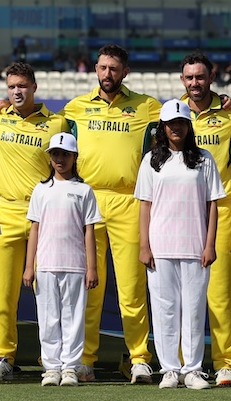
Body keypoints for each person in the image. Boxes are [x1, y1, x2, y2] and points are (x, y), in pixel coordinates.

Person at [58, 44, 160, 382]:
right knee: (90, 286)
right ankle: (84, 359)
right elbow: (42, 125)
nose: (107, 74)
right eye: (102, 68)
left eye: (114, 69)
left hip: (129, 200)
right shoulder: (75, 108)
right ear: (95, 70)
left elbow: (187, 114)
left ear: (125, 71)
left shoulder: (146, 106)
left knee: (131, 288)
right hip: (87, 200)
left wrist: (225, 101)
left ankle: (139, 358)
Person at [0, 63, 69, 382]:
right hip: (6, 213)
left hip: (46, 215)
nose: (17, 92)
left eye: (22, 86)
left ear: (34, 87)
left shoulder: (57, 121)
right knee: (3, 292)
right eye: (11, 87)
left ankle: (56, 359)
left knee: (50, 292)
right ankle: (4, 356)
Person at [135, 100, 226, 390]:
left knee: (195, 309)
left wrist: (209, 244)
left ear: (189, 126)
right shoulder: (151, 160)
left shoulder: (204, 159)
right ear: (162, 127)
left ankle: (194, 370)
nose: (176, 127)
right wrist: (144, 245)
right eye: (171, 123)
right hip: (160, 246)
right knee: (164, 309)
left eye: (182, 122)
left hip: (195, 245)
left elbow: (213, 205)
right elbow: (145, 206)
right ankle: (170, 370)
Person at [179, 53, 231, 386]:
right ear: (183, 80)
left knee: (220, 293)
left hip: (219, 209)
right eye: (189, 77)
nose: (195, 83)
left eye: (200, 77)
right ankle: (185, 363)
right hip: (179, 211)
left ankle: (225, 363)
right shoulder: (172, 112)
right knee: (183, 294)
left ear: (211, 78)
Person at [24, 133, 101, 387]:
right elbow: (34, 228)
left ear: (74, 157)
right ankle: (51, 367)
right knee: (48, 318)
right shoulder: (41, 189)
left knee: (73, 318)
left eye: (65, 154)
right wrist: (29, 266)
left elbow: (89, 231)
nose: (59, 159)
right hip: (45, 264)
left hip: (75, 265)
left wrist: (92, 267)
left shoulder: (84, 190)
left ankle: (70, 367)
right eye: (55, 154)